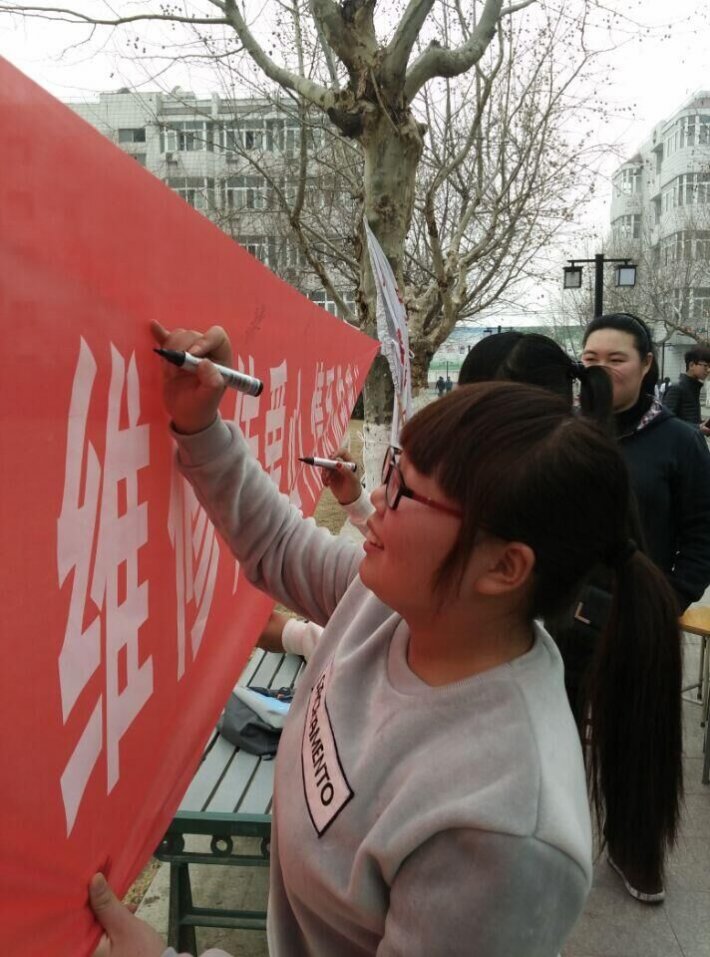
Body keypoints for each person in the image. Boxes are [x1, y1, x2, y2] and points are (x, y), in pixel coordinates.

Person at [88, 320, 682, 957]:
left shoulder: (503, 832)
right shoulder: (394, 607)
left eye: (405, 491)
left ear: (504, 567)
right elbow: (280, 545)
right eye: (394, 467)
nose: (375, 495)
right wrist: (202, 425)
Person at [663, 346, 710, 432]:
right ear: (691, 365)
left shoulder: (694, 388)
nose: (708, 370)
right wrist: (697, 427)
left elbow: (689, 419)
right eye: (705, 366)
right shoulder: (676, 388)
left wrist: (702, 424)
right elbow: (667, 421)